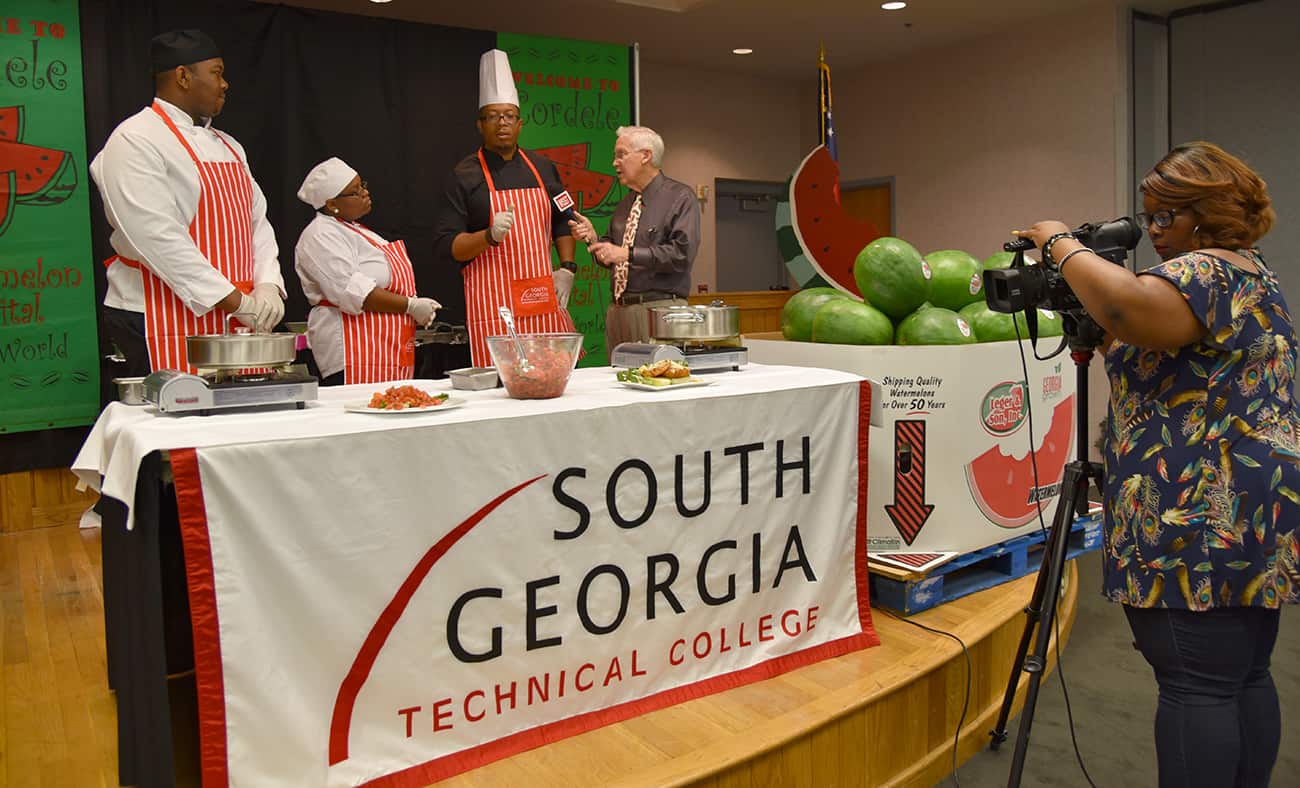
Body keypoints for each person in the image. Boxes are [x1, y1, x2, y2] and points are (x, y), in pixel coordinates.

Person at [1014, 141, 1295, 788]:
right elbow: (1150, 343)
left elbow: (1123, 307)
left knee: (1197, 685)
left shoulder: (1206, 271)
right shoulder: (1252, 273)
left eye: (1165, 218)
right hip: (1255, 509)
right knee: (1241, 675)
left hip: (1196, 514)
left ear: (1206, 213)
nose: (1156, 235)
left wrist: (1059, 240)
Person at [91, 29, 285, 376]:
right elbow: (157, 239)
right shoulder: (134, 139)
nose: (225, 84)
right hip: (155, 313)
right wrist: (237, 301)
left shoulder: (228, 145)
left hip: (237, 315)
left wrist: (268, 283)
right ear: (182, 76)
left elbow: (257, 222)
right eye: (216, 72)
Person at [434, 49, 578, 367]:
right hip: (493, 304)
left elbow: (563, 220)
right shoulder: (464, 175)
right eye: (493, 116)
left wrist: (567, 268)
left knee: (551, 372)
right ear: (479, 124)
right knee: (503, 378)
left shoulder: (543, 167)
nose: (502, 123)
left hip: (541, 295)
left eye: (509, 116)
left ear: (520, 123)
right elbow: (448, 245)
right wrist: (488, 236)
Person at [294, 158, 442, 386]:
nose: (365, 193)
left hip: (384, 345)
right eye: (355, 191)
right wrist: (411, 306)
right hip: (353, 349)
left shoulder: (357, 230)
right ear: (332, 203)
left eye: (362, 185)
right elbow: (352, 292)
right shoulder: (320, 235)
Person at [568, 125, 700, 352]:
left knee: (660, 376)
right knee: (617, 380)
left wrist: (627, 254)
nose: (614, 163)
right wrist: (593, 239)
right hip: (618, 310)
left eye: (621, 155)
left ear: (646, 156)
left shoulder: (680, 197)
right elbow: (609, 257)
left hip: (659, 309)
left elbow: (681, 255)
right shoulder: (625, 204)